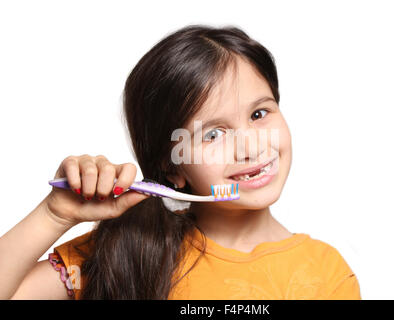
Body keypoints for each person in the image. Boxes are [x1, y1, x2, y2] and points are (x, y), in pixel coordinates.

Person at [0, 25, 361, 300]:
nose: (250, 147)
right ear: (173, 166)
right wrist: (54, 216)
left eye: (259, 113)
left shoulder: (327, 274)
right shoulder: (127, 250)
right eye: (213, 134)